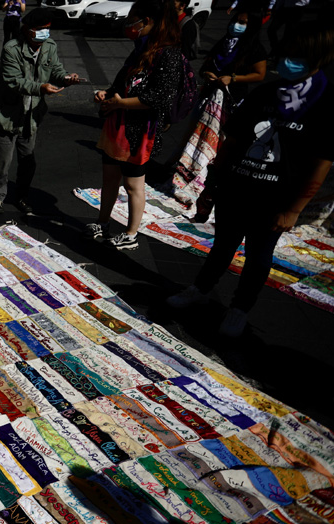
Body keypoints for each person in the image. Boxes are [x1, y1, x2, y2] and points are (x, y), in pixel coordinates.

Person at [167, 22, 334, 337]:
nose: (287, 62)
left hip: (274, 199)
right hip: (236, 187)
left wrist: (294, 209)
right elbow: (232, 142)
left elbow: (320, 164)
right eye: (286, 54)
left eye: (297, 56)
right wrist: (211, 186)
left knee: (258, 256)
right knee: (222, 246)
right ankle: (200, 289)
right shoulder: (265, 93)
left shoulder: (325, 104)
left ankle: (240, 309)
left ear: (317, 59)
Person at [85, 0, 184, 250]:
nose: (129, 25)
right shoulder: (140, 48)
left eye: (133, 20)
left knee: (132, 184)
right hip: (117, 125)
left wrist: (122, 103)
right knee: (109, 179)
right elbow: (121, 82)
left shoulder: (169, 53)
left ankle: (131, 233)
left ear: (148, 21)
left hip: (140, 130)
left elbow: (161, 96)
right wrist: (107, 95)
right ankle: (103, 222)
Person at [0, 8, 81, 215]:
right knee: (3, 162)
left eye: (48, 29)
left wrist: (65, 78)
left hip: (32, 115)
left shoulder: (49, 46)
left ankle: (22, 196)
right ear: (28, 30)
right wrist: (41, 87)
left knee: (28, 161)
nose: (45, 34)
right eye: (41, 30)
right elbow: (13, 81)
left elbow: (55, 69)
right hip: (8, 115)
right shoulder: (12, 48)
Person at [169, 9, 266, 205]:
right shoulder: (224, 42)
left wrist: (234, 78)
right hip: (209, 97)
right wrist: (207, 74)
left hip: (231, 100)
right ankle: (182, 167)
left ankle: (209, 176)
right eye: (235, 20)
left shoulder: (255, 48)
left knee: (218, 139)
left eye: (242, 22)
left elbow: (259, 74)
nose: (236, 25)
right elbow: (206, 65)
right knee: (194, 133)